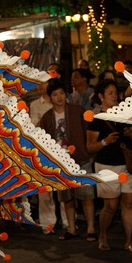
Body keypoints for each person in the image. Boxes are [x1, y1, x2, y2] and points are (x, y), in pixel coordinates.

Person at [86, 79, 132, 252]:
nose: (114, 96)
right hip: (106, 165)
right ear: (101, 96)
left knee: (129, 202)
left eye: (116, 93)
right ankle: (102, 235)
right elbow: (90, 147)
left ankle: (129, 241)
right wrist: (105, 141)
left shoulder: (125, 115)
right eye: (110, 93)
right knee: (110, 205)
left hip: (128, 164)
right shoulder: (97, 119)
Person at [39, 78, 96, 241]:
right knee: (66, 198)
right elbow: (42, 138)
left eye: (61, 93)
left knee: (87, 196)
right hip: (61, 162)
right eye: (55, 94)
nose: (59, 97)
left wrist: (89, 153)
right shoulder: (47, 117)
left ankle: (91, 228)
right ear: (50, 97)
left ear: (66, 94)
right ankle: (71, 228)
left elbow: (87, 132)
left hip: (80, 158)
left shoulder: (77, 111)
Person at [29, 80, 63, 233]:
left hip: (61, 148)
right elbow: (32, 127)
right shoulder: (35, 104)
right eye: (38, 83)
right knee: (45, 190)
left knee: (64, 187)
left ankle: (68, 222)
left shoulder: (61, 102)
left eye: (43, 83)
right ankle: (48, 223)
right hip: (43, 148)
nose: (40, 86)